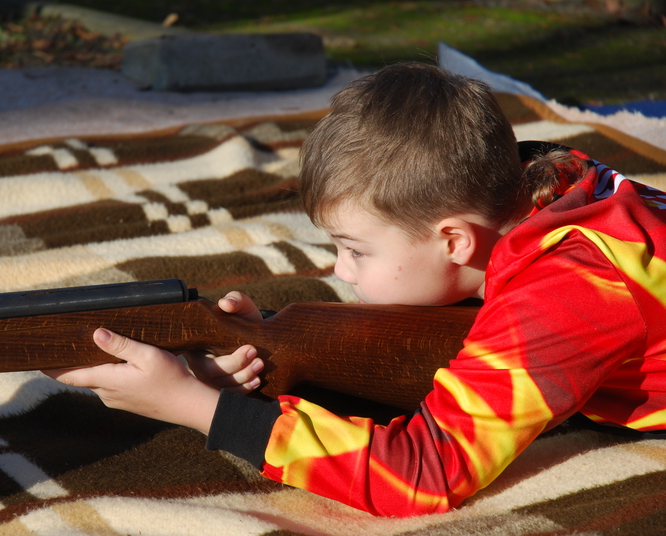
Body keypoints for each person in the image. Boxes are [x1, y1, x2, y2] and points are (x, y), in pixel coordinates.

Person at [44, 62, 666, 517]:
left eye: (357, 250)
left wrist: (196, 407)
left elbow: (426, 473)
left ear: (454, 241)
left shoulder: (571, 288)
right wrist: (268, 352)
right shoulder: (543, 181)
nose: (340, 271)